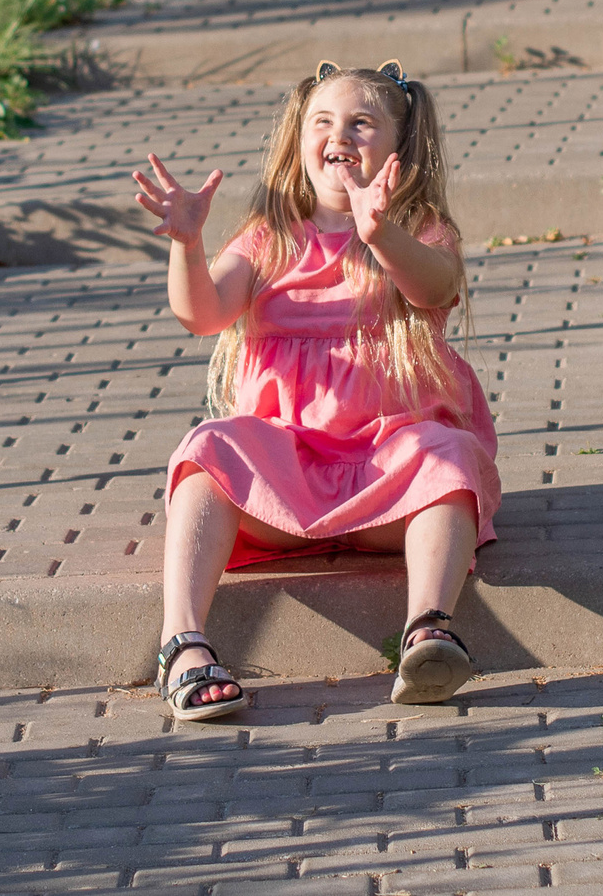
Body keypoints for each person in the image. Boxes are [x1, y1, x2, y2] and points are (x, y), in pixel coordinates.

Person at [132, 61, 499, 721]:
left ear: (399, 144)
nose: (341, 134)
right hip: (287, 472)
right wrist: (186, 245)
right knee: (205, 448)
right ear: (300, 141)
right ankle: (182, 644)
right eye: (323, 121)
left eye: (363, 122)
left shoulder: (419, 228)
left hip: (389, 474)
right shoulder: (268, 236)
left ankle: (427, 631)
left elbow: (435, 287)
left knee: (448, 455)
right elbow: (203, 313)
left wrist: (378, 231)